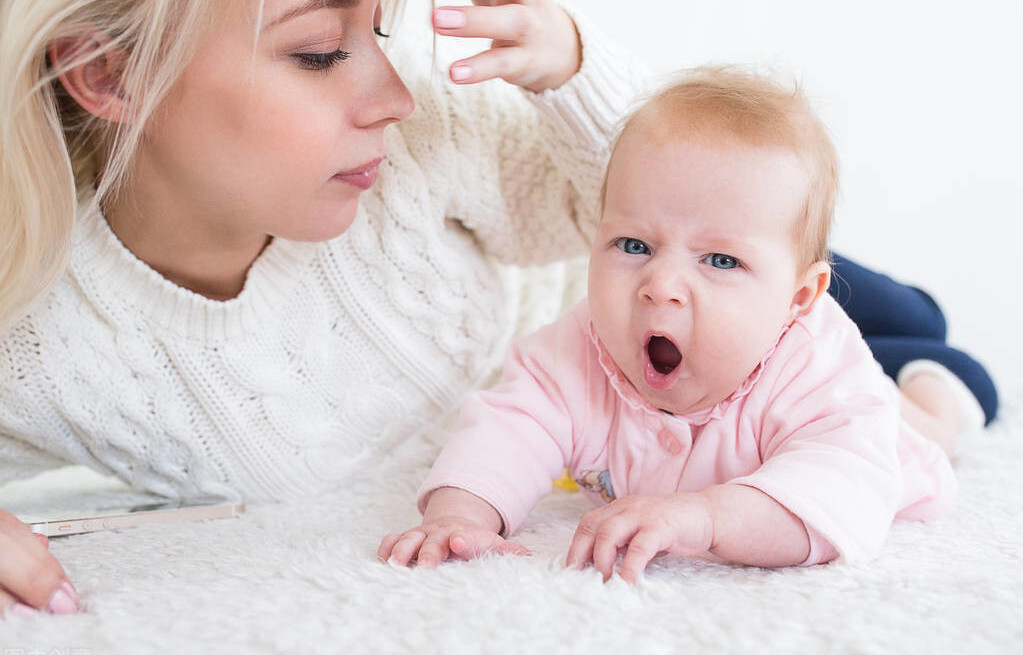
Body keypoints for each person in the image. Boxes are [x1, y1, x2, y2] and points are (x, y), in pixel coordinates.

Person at [0, 0, 645, 618]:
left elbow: (660, 214)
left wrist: (569, 68)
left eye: (381, 30)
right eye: (320, 53)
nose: (397, 99)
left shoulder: (426, 138)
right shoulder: (38, 331)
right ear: (106, 73)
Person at [377, 67, 974, 584]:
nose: (659, 284)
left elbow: (839, 493)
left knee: (924, 420)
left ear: (797, 298)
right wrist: (461, 516)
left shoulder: (821, 374)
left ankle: (936, 380)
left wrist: (706, 517)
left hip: (886, 426)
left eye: (720, 260)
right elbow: (511, 427)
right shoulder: (578, 346)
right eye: (633, 243)